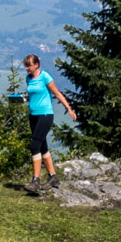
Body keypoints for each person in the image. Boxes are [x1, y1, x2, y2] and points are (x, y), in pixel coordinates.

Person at [16, 53, 76, 192]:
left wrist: (69, 109)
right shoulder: (28, 79)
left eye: (28, 66)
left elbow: (57, 93)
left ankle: (35, 181)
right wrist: (21, 99)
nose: (26, 69)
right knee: (42, 148)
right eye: (26, 66)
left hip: (45, 114)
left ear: (36, 65)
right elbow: (31, 96)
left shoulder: (45, 76)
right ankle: (53, 177)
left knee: (34, 145)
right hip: (33, 115)